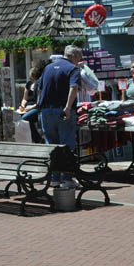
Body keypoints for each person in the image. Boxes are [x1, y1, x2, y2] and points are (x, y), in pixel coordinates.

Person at [38, 45, 82, 188]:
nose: (78, 62)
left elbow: (39, 88)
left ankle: (54, 177)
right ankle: (67, 178)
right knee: (66, 144)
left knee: (51, 145)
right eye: (78, 59)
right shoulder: (73, 69)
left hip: (46, 111)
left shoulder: (48, 68)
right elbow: (74, 87)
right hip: (62, 111)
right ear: (74, 57)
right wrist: (68, 107)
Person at [20, 61, 49, 143]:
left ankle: (38, 139)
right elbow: (24, 98)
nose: (32, 78)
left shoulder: (40, 84)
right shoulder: (28, 84)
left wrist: (30, 108)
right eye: (31, 76)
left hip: (36, 107)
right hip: (27, 108)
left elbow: (39, 102)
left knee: (25, 119)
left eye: (33, 76)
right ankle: (28, 139)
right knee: (19, 119)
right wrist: (22, 105)